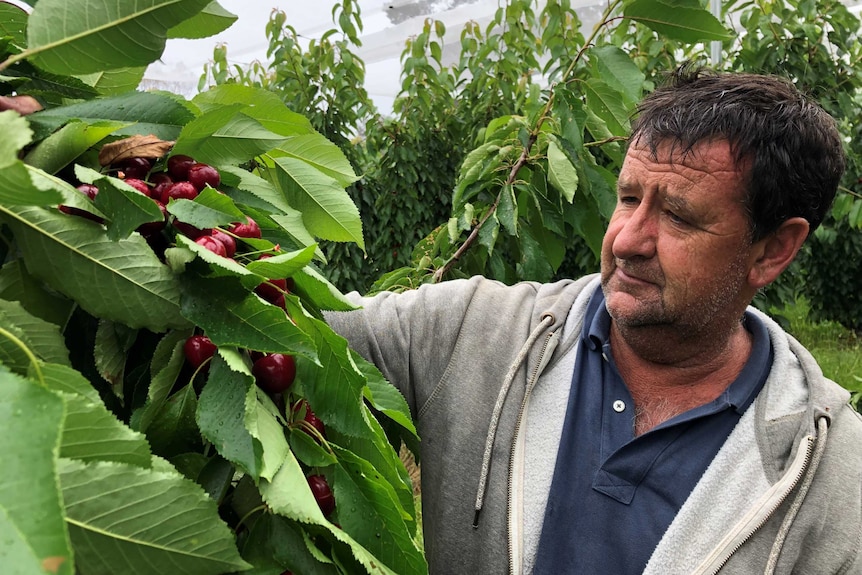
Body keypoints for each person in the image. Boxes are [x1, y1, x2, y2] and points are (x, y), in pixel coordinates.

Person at [325, 67, 862, 574]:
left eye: (678, 216)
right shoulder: (474, 334)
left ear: (772, 250)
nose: (627, 240)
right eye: (628, 198)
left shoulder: (834, 478)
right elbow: (296, 328)